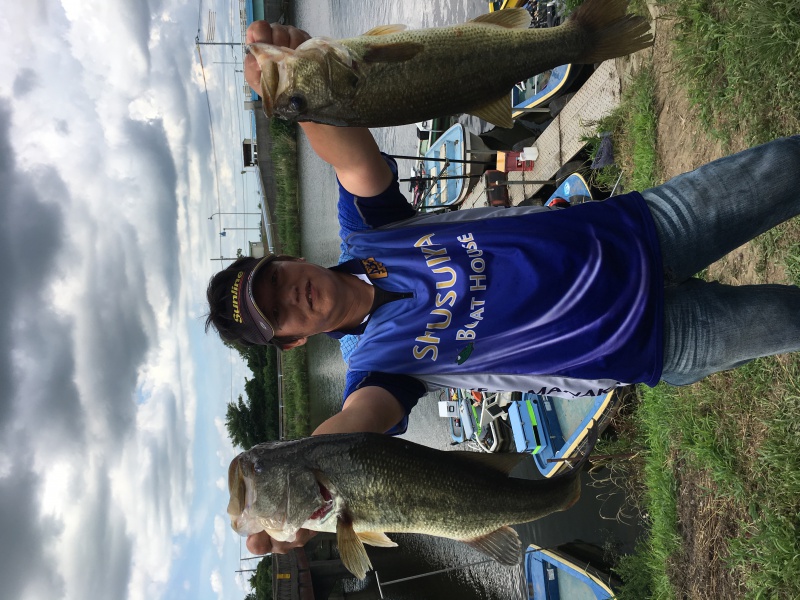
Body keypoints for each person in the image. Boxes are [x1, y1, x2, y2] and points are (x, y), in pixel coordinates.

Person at [208, 21, 800, 554]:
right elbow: (344, 442)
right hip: (656, 342)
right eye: (278, 314)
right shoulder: (376, 371)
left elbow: (350, 156)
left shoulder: (370, 229)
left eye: (278, 280)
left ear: (289, 260)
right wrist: (291, 507)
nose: (291, 295)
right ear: (290, 343)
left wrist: (290, 89)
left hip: (648, 228)